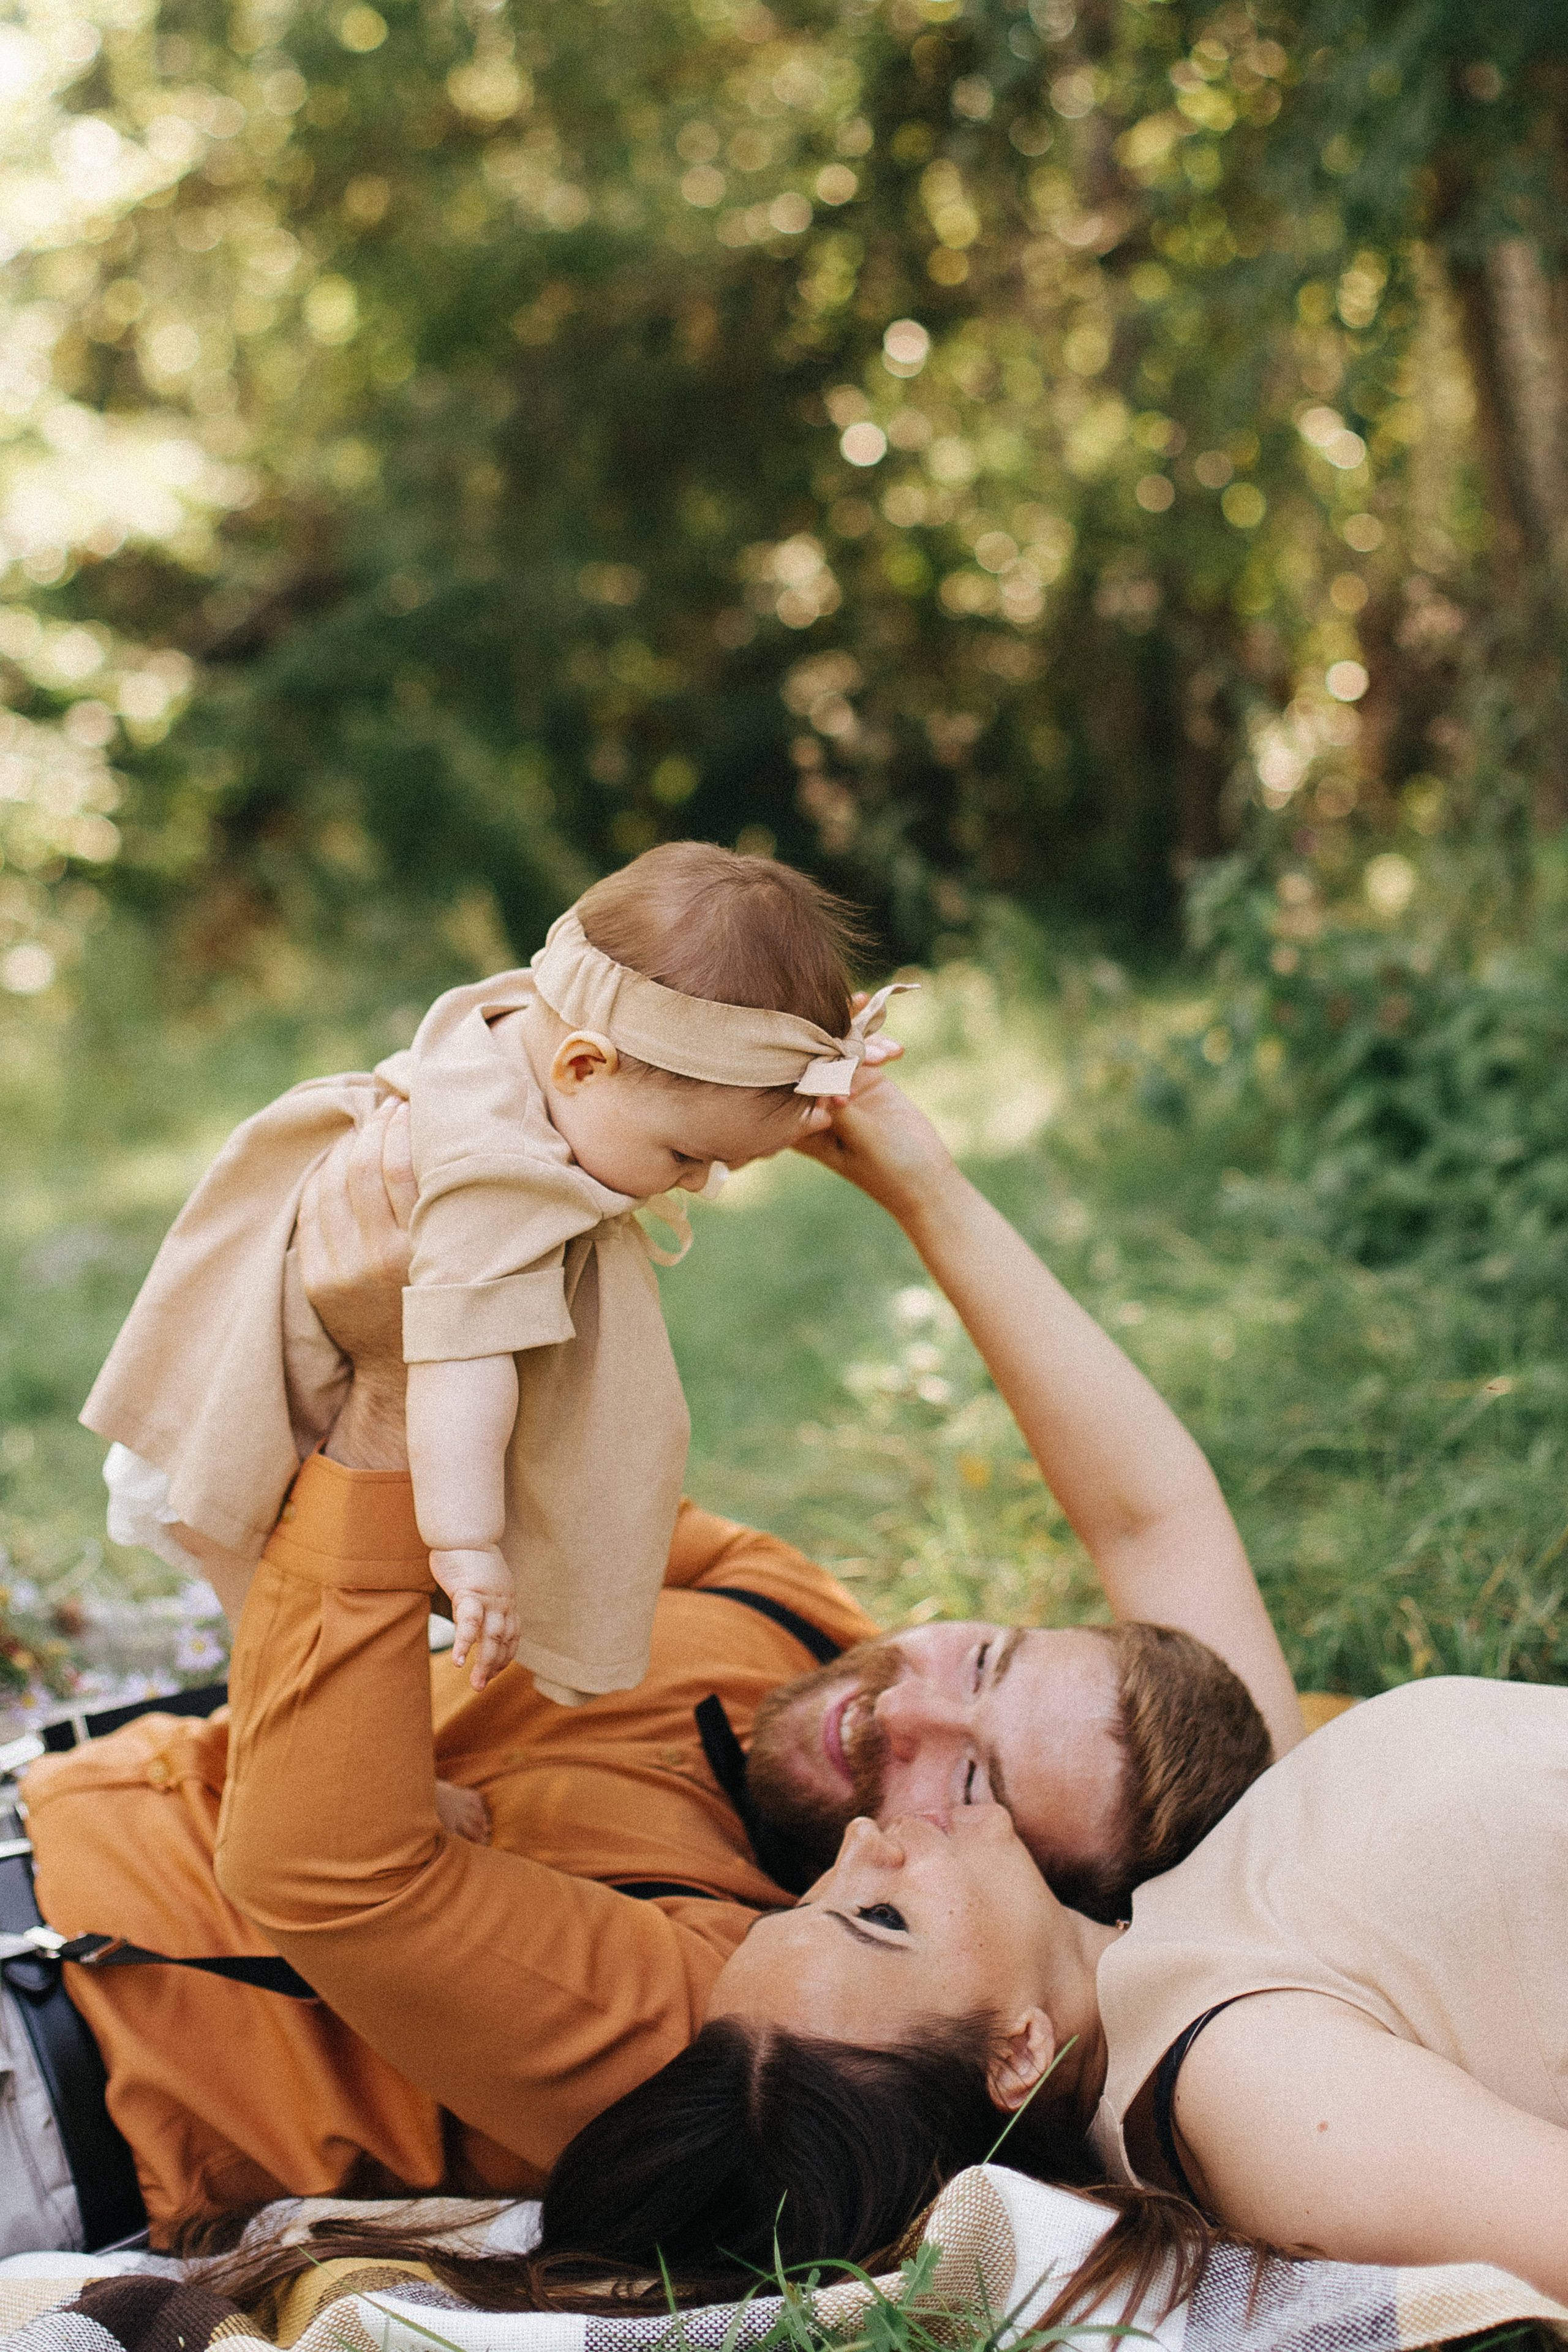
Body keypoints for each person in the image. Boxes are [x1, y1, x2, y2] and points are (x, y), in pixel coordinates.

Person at [20, 1067, 1301, 2248]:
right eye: (975, 1660)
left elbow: (321, 1869)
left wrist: (398, 1387)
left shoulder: (762, 2012)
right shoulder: (800, 1629)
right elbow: (549, 1485)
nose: (895, 1711)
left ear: (1030, 1904)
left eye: (970, 1788)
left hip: (49, 2064)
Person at [80, 844, 907, 1697]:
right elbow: (459, 1369)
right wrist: (465, 1546)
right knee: (298, 1619)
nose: (698, 1182)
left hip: (247, 1344)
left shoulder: (533, 1015)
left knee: (317, 1601)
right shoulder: (493, 1172)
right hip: (264, 1416)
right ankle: (331, 1742)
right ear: (582, 1066)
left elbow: (688, 1042)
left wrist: (798, 1076)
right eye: (687, 1155)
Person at [617, 1672, 1568, 2306]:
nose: (864, 1843)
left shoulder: (1161, 1908)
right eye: (882, 1918)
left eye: (811, 1898)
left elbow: (1154, 1524)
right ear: (1017, 2053)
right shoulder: (1238, 2083)